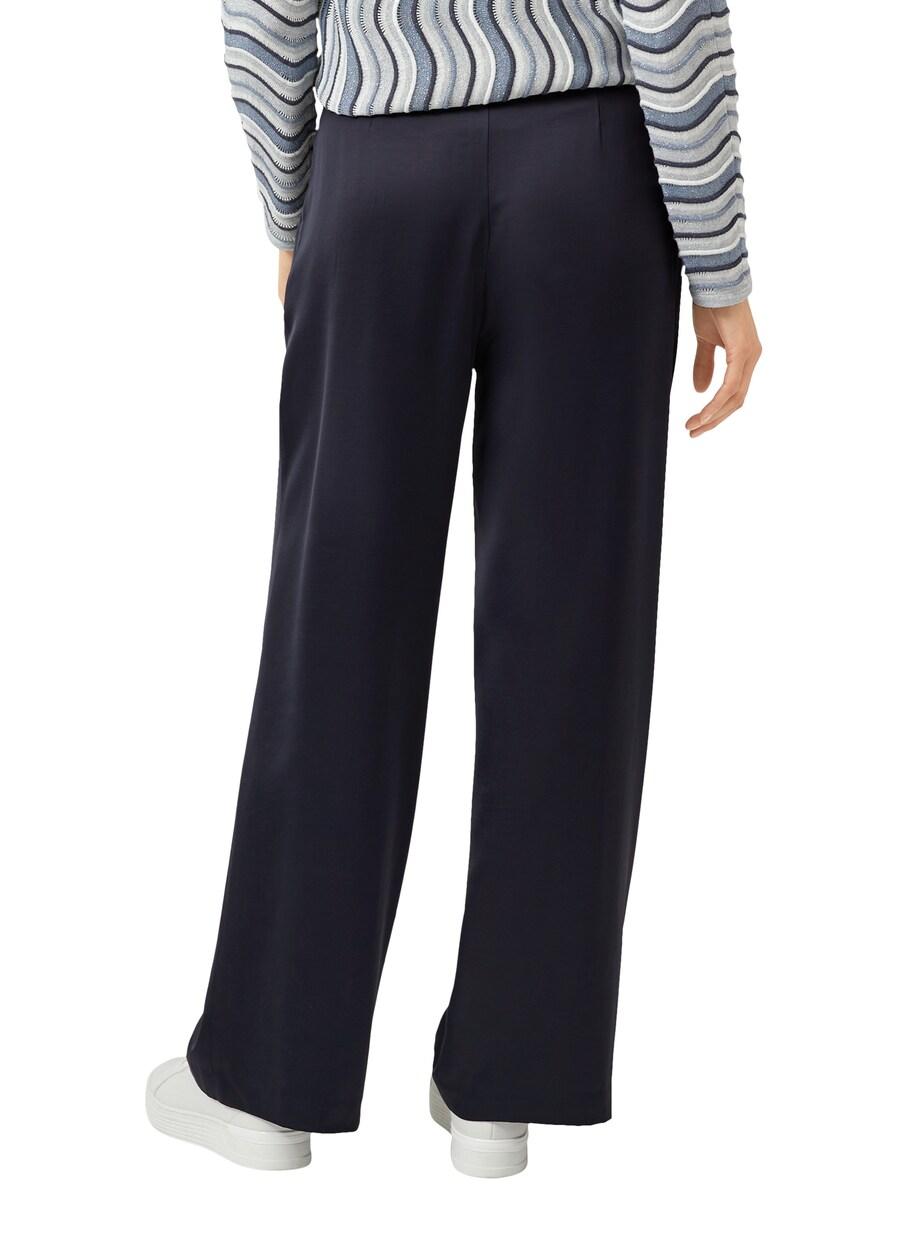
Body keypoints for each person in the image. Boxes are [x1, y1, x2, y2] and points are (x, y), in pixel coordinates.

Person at [146, 0, 761, 1178]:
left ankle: (269, 1084)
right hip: (591, 169)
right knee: (572, 629)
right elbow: (670, 12)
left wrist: (296, 205)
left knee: (336, 622)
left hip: (377, 167)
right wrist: (718, 255)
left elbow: (266, 14)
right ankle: (505, 1087)